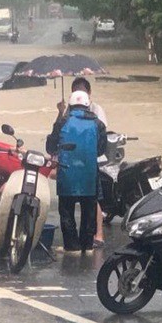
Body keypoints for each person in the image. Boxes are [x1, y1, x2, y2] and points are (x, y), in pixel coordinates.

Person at [47, 91, 107, 253]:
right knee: (89, 211)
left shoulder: (63, 122)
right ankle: (87, 246)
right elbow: (102, 150)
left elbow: (51, 147)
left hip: (67, 174)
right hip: (89, 175)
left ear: (71, 104)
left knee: (67, 211)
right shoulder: (98, 124)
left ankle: (71, 247)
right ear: (88, 104)